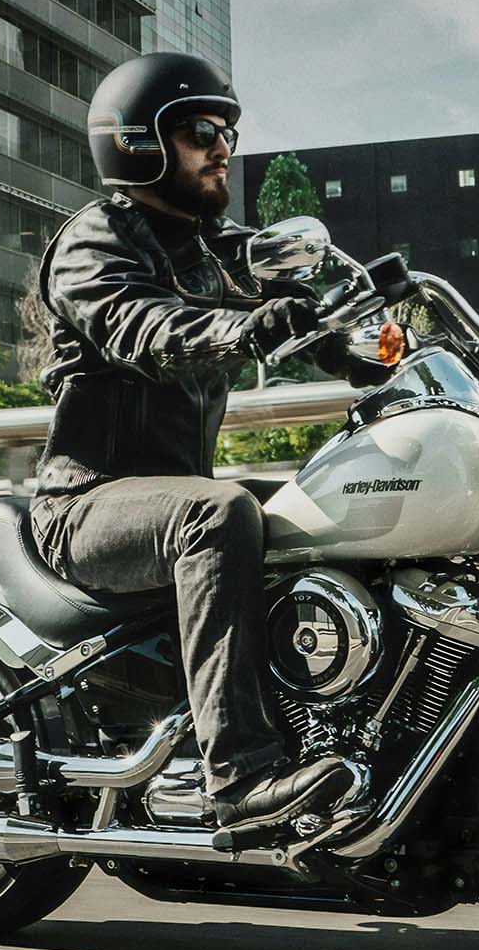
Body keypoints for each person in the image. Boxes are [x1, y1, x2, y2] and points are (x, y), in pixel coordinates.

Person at [28, 52, 361, 837]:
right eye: (201, 131)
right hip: (87, 504)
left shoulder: (217, 246)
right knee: (220, 513)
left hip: (169, 497)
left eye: (227, 133)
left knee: (335, 504)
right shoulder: (93, 242)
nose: (222, 148)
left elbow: (297, 299)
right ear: (139, 141)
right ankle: (241, 776)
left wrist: (360, 340)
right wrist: (243, 328)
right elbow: (144, 327)